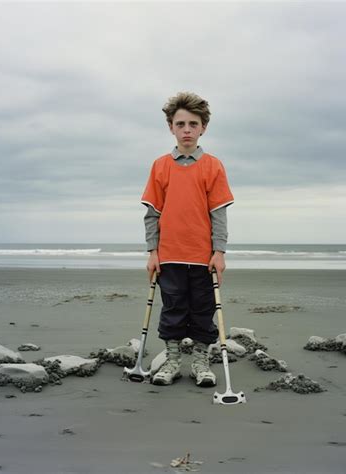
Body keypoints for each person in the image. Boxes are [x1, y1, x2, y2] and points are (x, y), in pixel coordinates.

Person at [141, 91, 234, 387]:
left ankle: (200, 363)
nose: (187, 130)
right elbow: (152, 214)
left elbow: (218, 214)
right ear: (171, 127)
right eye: (180, 124)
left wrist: (219, 251)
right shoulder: (160, 166)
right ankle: (171, 362)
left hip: (203, 256)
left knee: (204, 311)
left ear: (203, 127)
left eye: (193, 124)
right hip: (169, 255)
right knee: (173, 309)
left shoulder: (213, 166)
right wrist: (152, 252)